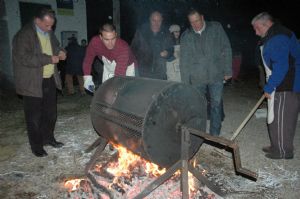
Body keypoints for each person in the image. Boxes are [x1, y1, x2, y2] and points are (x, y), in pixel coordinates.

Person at [12, 8, 66, 157]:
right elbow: (23, 58)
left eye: (52, 26)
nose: (50, 29)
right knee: (34, 117)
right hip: (32, 83)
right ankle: (36, 146)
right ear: (37, 21)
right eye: (47, 25)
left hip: (49, 79)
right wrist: (49, 59)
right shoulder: (24, 35)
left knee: (51, 114)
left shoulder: (49, 33)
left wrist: (61, 51)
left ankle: (48, 139)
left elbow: (56, 46)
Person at [251, 12, 300, 159]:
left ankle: (283, 151)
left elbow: (282, 67)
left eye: (257, 28)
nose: (255, 31)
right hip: (279, 82)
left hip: (286, 84)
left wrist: (269, 86)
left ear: (266, 24)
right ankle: (276, 144)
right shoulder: (272, 35)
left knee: (283, 118)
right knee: (274, 116)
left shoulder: (278, 37)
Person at [180, 9, 232, 136]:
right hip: (197, 77)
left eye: (197, 20)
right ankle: (198, 134)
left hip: (216, 74)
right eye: (192, 22)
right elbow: (184, 62)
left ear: (202, 17)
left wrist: (228, 70)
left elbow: (226, 48)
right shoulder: (186, 36)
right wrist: (186, 82)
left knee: (216, 104)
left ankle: (215, 134)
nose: (195, 25)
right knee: (197, 106)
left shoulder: (216, 28)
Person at [83, 23, 137, 92]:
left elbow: (119, 74)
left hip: (127, 67)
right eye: (106, 39)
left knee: (126, 91)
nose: (110, 43)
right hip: (108, 62)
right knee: (106, 90)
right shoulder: (95, 42)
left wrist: (116, 89)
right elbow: (88, 60)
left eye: (113, 39)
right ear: (101, 37)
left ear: (116, 35)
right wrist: (87, 79)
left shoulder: (123, 47)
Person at [131, 11, 174, 80]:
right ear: (150, 20)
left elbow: (171, 49)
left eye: (159, 21)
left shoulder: (166, 32)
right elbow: (133, 49)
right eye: (154, 20)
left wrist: (167, 53)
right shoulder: (142, 31)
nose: (156, 23)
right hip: (143, 72)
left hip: (160, 73)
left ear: (162, 20)